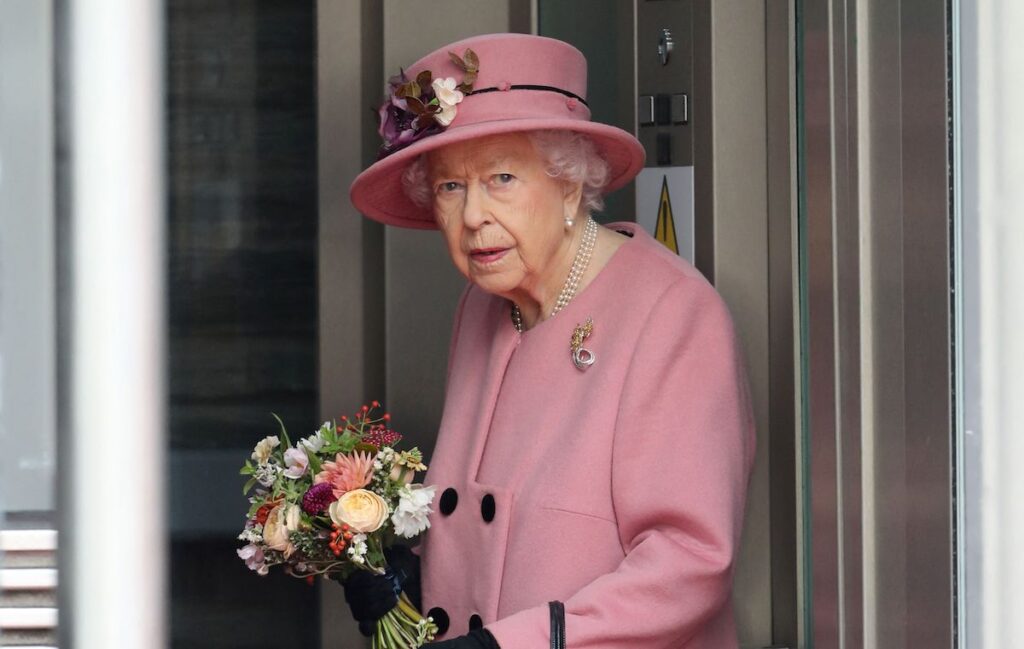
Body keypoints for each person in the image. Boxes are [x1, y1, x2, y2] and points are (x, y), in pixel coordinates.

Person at [345, 33, 756, 649]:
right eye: (451, 188)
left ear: (569, 186)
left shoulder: (672, 314)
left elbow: (690, 562)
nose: (473, 216)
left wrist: (522, 643)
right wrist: (410, 575)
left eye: (501, 178)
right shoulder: (484, 305)